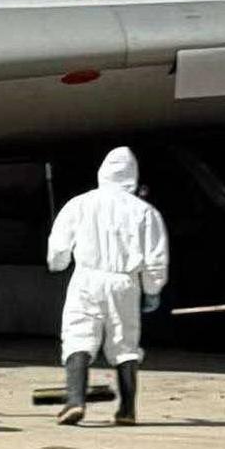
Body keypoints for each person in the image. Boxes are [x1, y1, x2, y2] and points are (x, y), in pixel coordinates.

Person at [46, 147, 169, 426]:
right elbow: (156, 257)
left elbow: (59, 246)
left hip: (87, 279)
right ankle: (127, 409)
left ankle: (75, 401)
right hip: (125, 282)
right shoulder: (146, 212)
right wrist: (152, 289)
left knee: (78, 336)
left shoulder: (80, 204)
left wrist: (58, 263)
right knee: (125, 344)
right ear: (132, 177)